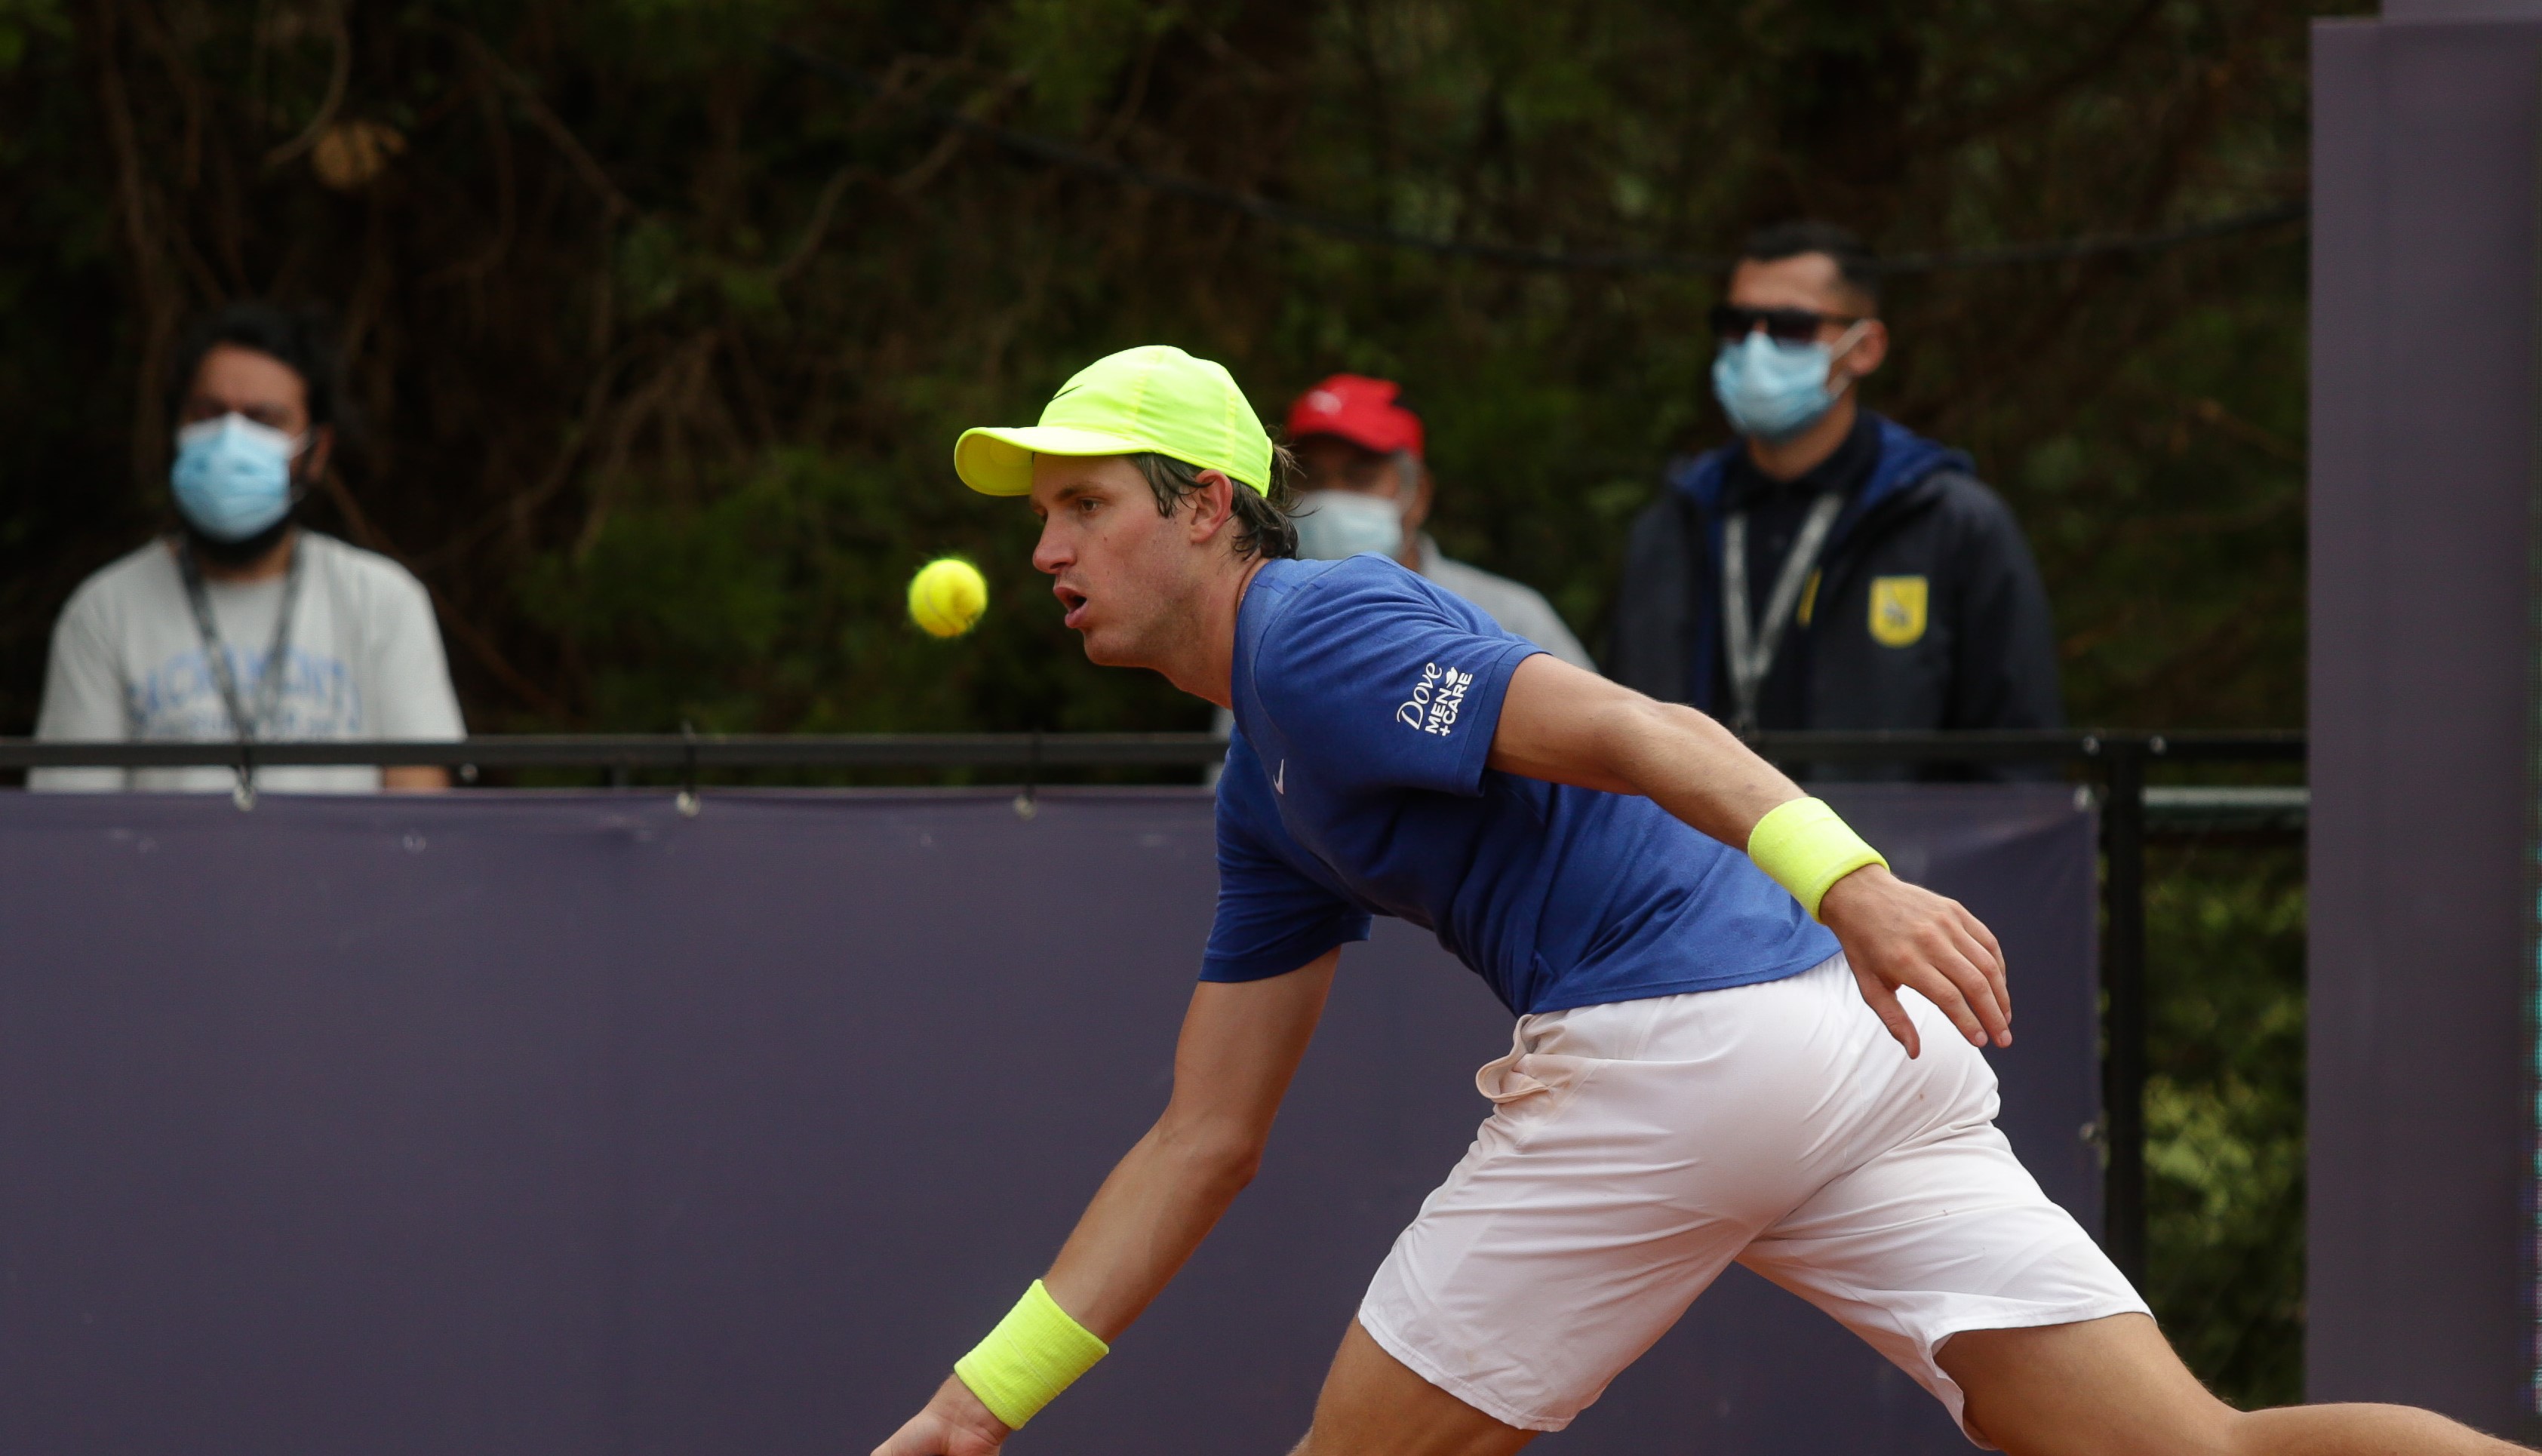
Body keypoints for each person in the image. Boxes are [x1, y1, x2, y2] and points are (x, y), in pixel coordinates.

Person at [875, 344, 2522, 1455]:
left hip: (1685, 1045)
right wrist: (977, 1402)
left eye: (1083, 504)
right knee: (2191, 1448)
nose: (1045, 552)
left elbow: (1635, 727)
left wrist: (1850, 877)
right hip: (1850, 1052)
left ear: (1203, 507)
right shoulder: (1266, 783)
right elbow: (1204, 1136)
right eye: (1039, 517)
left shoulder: (1311, 630)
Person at [1609, 222, 2061, 763]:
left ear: (1864, 348)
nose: (1755, 349)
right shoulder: (1674, 522)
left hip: (1880, 825)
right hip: (1701, 820)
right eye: (1736, 324)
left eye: (1791, 327)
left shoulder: (1948, 521)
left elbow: (2018, 761)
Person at [31, 303, 463, 794]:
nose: (230, 440)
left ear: (316, 452)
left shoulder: (382, 601)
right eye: (208, 413)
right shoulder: (105, 611)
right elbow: (75, 819)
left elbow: (417, 810)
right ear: (177, 427)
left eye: (263, 420)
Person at [1286, 374, 1591, 669]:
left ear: (1418, 493)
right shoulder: (1271, 623)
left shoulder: (1508, 621)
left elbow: (1598, 706)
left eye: (1360, 478)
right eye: (1310, 478)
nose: (1331, 496)